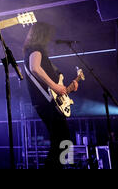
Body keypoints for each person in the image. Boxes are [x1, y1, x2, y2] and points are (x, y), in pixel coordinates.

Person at [23, 22, 78, 169]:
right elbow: (35, 68)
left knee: (62, 140)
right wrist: (54, 86)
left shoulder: (37, 52)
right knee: (62, 140)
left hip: (49, 101)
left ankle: (63, 166)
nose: (50, 39)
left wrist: (68, 88)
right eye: (48, 35)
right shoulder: (35, 49)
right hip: (45, 102)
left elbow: (55, 88)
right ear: (42, 35)